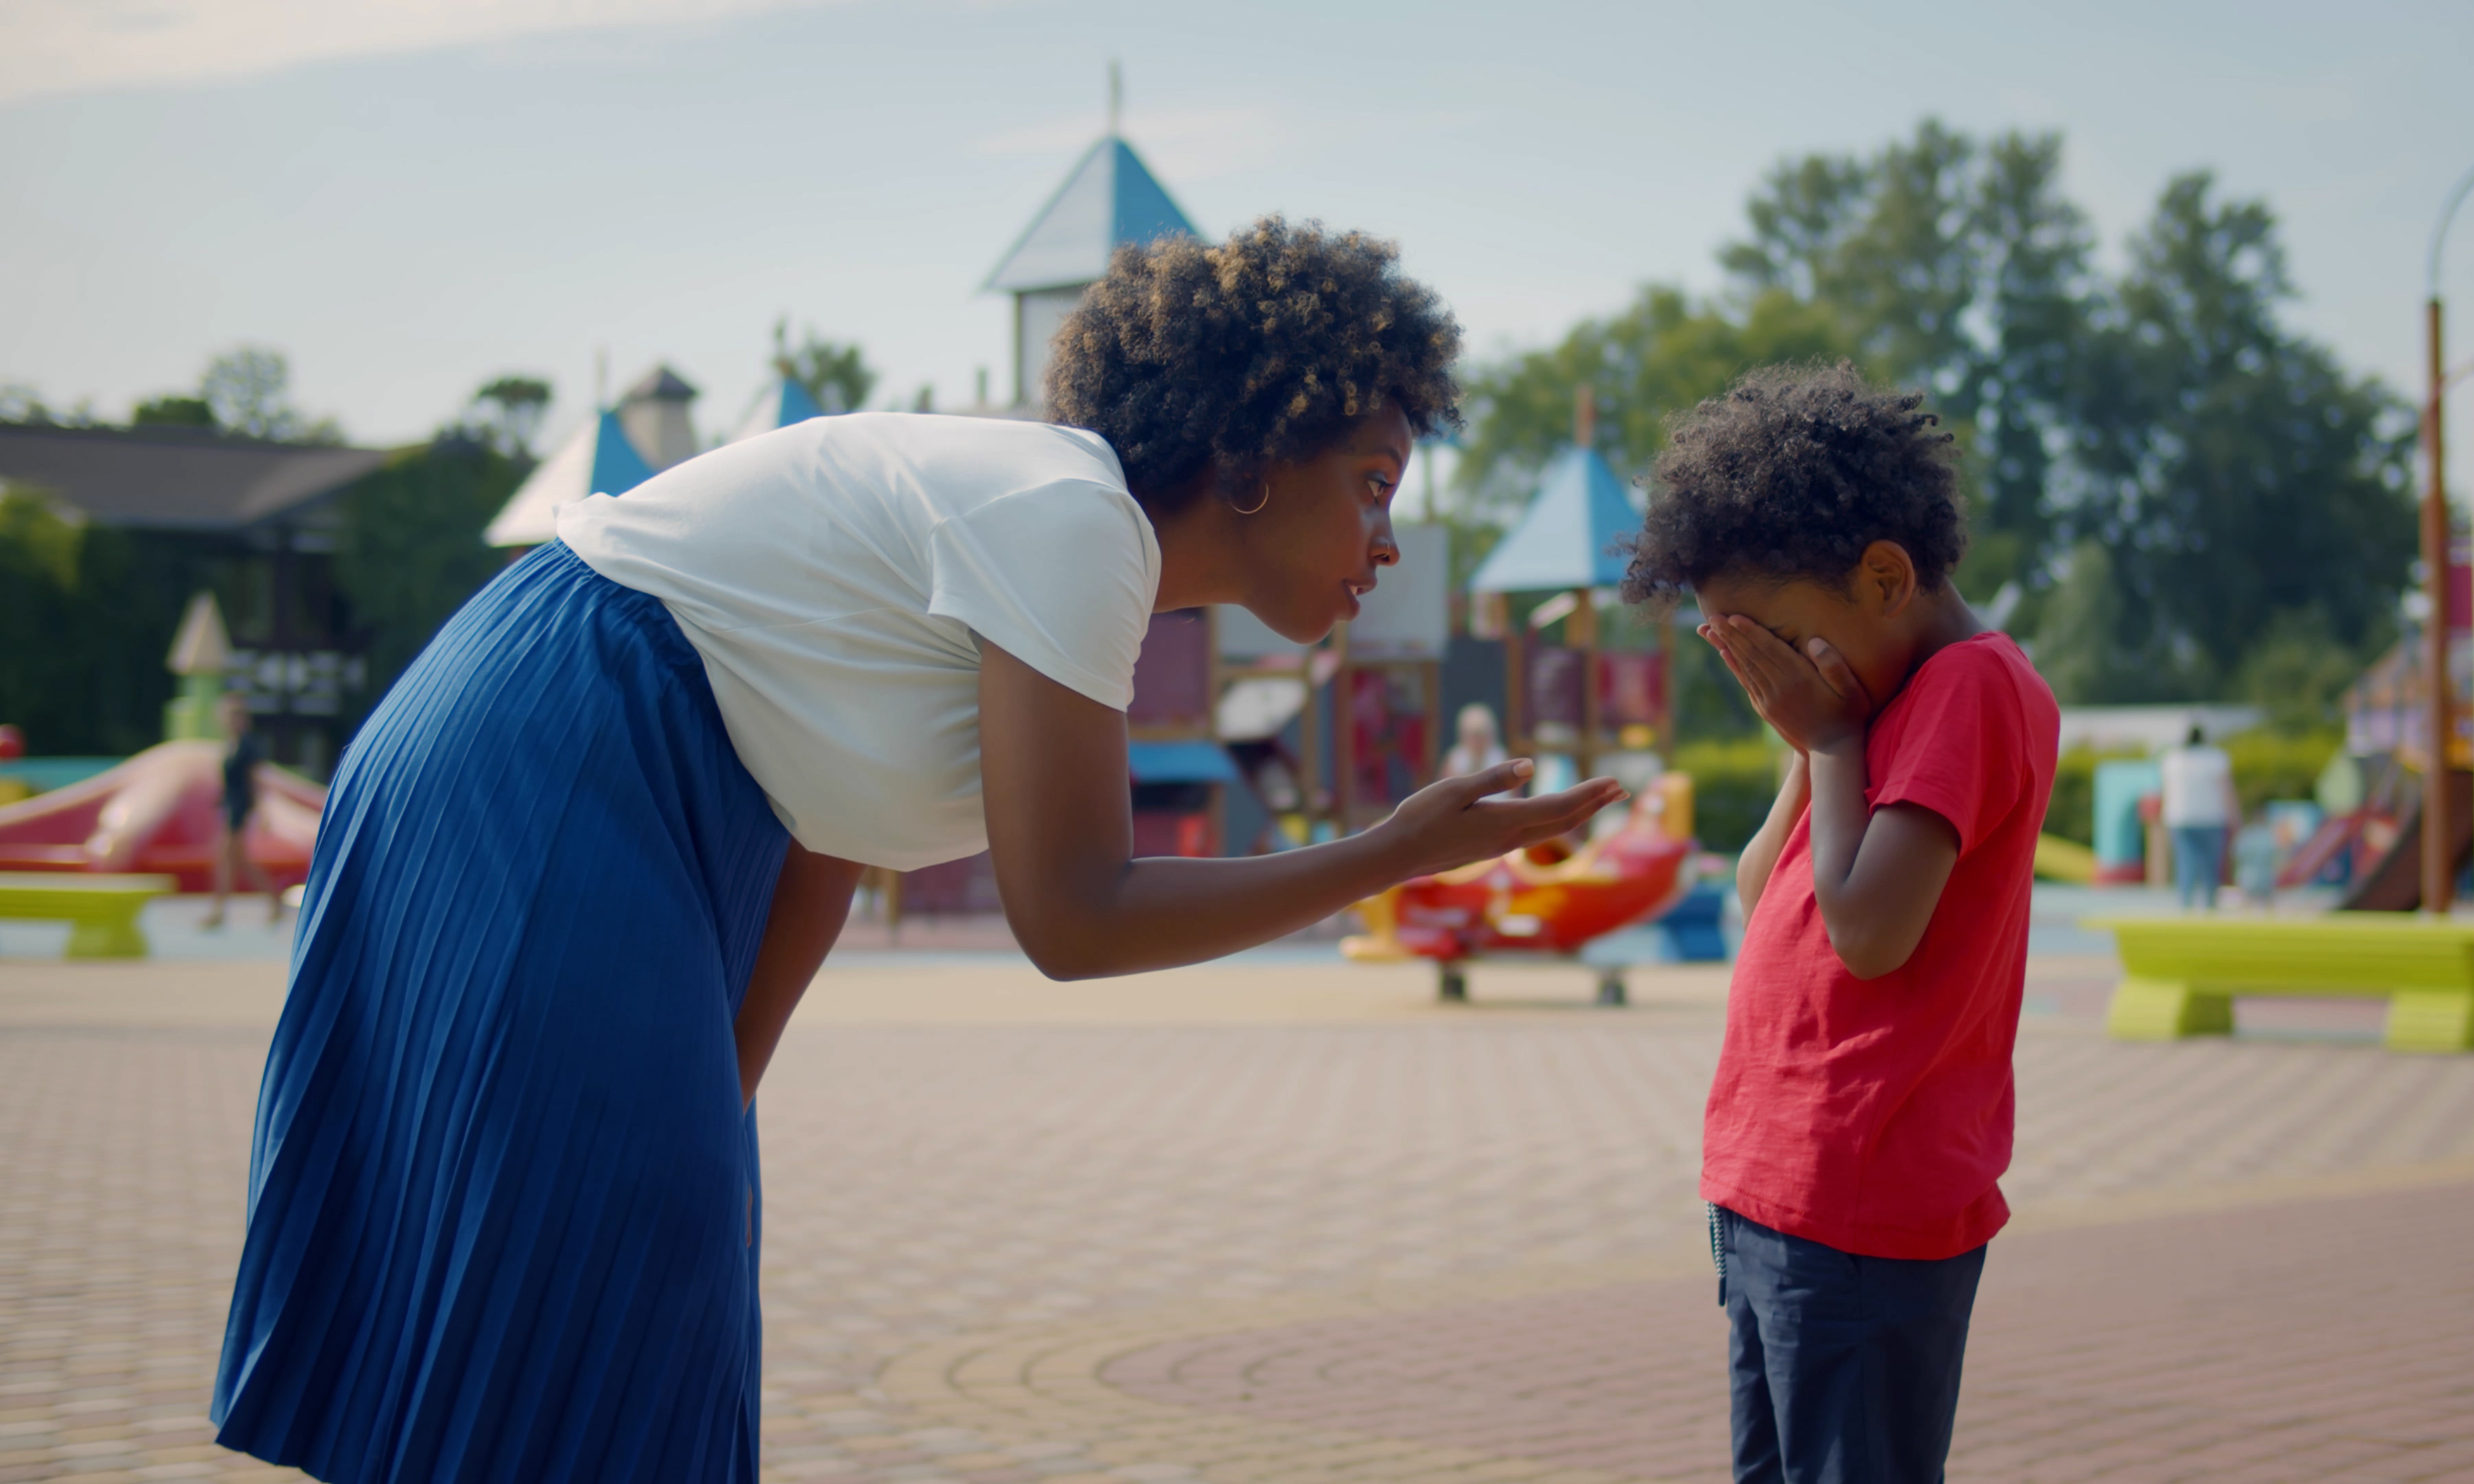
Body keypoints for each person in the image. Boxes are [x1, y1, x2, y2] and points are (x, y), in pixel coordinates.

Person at [210, 218, 1625, 1484]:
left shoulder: (1071, 565)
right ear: (1251, 460)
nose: (1388, 538)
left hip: (576, 746)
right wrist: (1387, 853)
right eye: (1372, 481)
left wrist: (719, 1095)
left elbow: (826, 827)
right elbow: (1073, 918)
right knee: (581, 1284)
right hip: (557, 740)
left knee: (615, 1266)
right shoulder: (1075, 518)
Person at [1624, 363, 2057, 1483]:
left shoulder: (1973, 686)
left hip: (1868, 1200)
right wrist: (1812, 737)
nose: (1766, 677)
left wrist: (1828, 741)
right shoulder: (1869, 709)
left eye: (1776, 641)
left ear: (1882, 576)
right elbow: (1761, 884)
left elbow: (1870, 933)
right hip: (1777, 1191)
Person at [200, 693, 281, 929]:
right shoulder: (231, 745)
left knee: (226, 858)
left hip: (240, 807)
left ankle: (218, 911)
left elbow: (254, 780)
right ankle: (273, 899)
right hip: (230, 805)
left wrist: (263, 811)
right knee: (238, 861)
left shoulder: (248, 746)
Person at [2159, 722, 2237, 911]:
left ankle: (2186, 904)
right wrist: (2235, 816)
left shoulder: (2172, 759)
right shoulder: (2216, 758)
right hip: (2210, 818)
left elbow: (2166, 791)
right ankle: (2210, 904)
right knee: (2210, 864)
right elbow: (2226, 789)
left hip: (2180, 818)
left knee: (2186, 863)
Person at [1441, 702, 1507, 780]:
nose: (1478, 741)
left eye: (1482, 735)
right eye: (1473, 736)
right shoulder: (1453, 761)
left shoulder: (1503, 759)